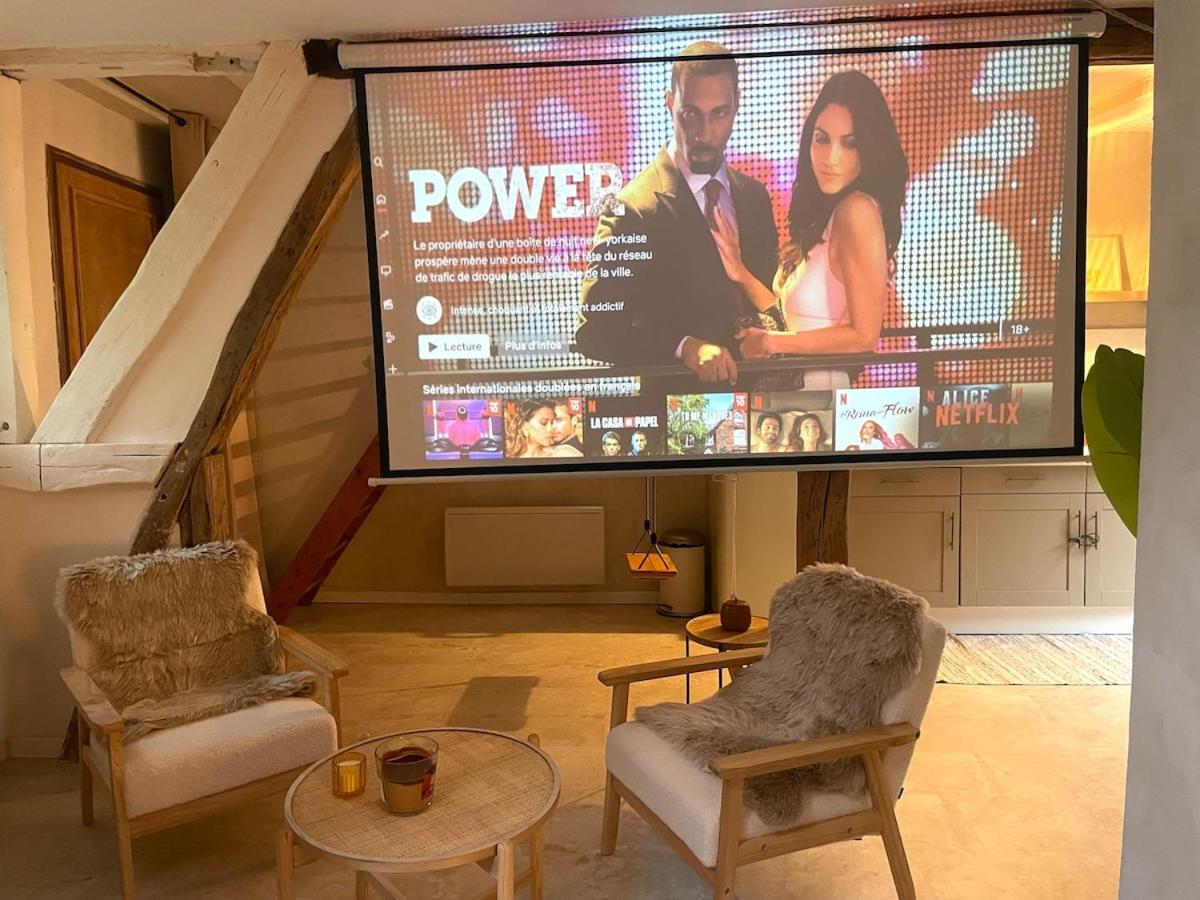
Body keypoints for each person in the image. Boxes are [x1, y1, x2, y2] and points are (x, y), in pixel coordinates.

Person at [574, 41, 779, 383]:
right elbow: (595, 332)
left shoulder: (754, 198)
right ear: (670, 103)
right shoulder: (632, 209)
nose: (704, 133)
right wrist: (684, 347)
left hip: (762, 403)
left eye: (719, 113)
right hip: (674, 409)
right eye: (691, 113)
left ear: (737, 105)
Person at [710, 70, 909, 390]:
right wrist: (740, 272)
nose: (831, 158)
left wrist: (771, 343)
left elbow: (863, 337)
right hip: (798, 393)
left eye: (850, 144)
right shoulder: (833, 212)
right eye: (822, 139)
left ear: (869, 149)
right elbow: (794, 320)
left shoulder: (857, 210)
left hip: (819, 397)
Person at [505, 400, 584, 459]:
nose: (551, 429)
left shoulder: (566, 454)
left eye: (551, 423)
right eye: (543, 423)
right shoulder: (507, 458)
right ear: (524, 426)